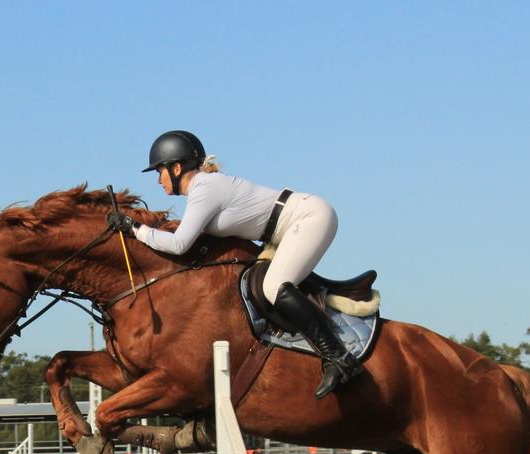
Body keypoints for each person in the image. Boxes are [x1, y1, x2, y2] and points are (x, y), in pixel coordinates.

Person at [107, 130, 363, 399]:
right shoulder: (203, 189)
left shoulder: (204, 189)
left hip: (309, 218)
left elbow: (179, 244)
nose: (159, 180)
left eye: (159, 171)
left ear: (177, 167)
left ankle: (338, 357)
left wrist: (135, 228)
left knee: (273, 287)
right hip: (288, 227)